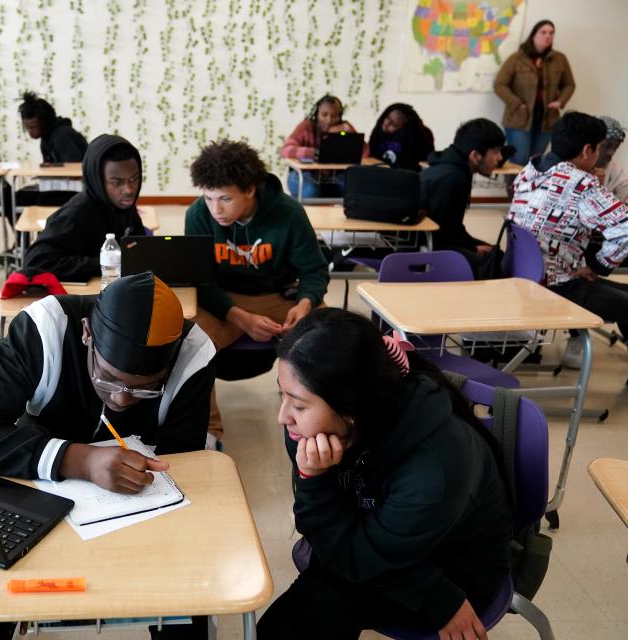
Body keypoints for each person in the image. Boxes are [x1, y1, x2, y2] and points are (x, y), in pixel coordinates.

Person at [0, 272, 215, 640]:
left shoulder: (194, 354)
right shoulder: (44, 329)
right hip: (34, 485)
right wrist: (78, 460)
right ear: (86, 333)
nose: (121, 399)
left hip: (135, 511)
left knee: (185, 596)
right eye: (107, 377)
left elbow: (184, 469)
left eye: (146, 389)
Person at [256, 308, 511, 639]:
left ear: (350, 409)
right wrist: (313, 476)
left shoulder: (432, 469)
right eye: (282, 394)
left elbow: (352, 556)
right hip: (374, 545)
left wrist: (438, 596)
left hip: (450, 571)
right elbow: (339, 544)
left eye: (299, 405)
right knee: (297, 619)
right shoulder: (311, 433)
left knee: (309, 612)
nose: (283, 416)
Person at [185, 139, 329, 445]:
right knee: (189, 339)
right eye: (209, 198)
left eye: (225, 198)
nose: (215, 210)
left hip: (277, 296)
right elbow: (201, 283)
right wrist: (241, 318)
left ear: (250, 190)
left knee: (326, 332)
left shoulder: (288, 213)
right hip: (223, 299)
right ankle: (209, 431)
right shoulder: (198, 215)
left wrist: (305, 303)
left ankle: (316, 424)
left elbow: (314, 271)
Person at [508, 112, 628, 368]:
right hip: (555, 289)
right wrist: (597, 266)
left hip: (522, 278)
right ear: (587, 150)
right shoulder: (581, 182)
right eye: (600, 149)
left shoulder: (527, 173)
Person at [22, 134, 145, 282]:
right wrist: (104, 263)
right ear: (97, 180)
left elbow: (136, 249)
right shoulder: (76, 213)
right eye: (117, 182)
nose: (129, 189)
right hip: (77, 299)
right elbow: (35, 261)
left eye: (134, 179)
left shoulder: (123, 206)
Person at [420, 118, 505, 268]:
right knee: (494, 262)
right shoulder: (454, 179)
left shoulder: (453, 168)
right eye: (496, 152)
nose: (500, 158)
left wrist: (471, 245)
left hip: (436, 238)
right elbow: (443, 232)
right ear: (475, 155)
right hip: (426, 246)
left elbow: (452, 226)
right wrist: (473, 248)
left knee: (495, 253)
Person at [495, 20, 575, 165]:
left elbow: (569, 84)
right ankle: (513, 188)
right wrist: (517, 103)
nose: (548, 36)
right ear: (534, 35)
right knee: (519, 161)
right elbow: (500, 85)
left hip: (547, 121)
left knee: (536, 163)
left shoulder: (559, 59)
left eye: (551, 33)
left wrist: (560, 101)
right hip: (519, 120)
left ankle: (530, 188)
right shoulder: (517, 59)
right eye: (543, 32)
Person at [280, 94, 361, 199]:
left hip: (333, 177)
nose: (329, 120)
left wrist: (351, 134)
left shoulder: (344, 129)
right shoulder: (306, 126)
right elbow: (286, 150)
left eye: (334, 116)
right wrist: (315, 152)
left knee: (352, 190)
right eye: (324, 114)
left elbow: (364, 153)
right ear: (317, 114)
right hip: (305, 175)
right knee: (311, 191)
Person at [18, 91, 88, 163]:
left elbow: (74, 170)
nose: (30, 131)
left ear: (44, 122)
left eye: (33, 127)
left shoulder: (62, 136)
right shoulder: (46, 138)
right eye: (27, 127)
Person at [368, 103, 434, 171]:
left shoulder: (414, 138)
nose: (386, 124)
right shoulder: (377, 133)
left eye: (394, 124)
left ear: (403, 129)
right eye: (388, 118)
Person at [597, 116, 627, 202]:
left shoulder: (617, 174)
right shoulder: (570, 165)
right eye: (607, 146)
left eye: (616, 147)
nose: (611, 153)